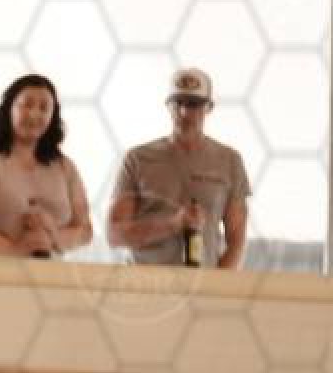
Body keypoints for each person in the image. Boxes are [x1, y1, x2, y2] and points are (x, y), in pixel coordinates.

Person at [106, 67, 250, 270]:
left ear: (209, 107)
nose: (183, 112)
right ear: (168, 106)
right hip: (145, 283)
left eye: (193, 104)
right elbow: (114, 235)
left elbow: (237, 240)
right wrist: (173, 225)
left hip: (202, 284)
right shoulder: (137, 159)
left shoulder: (229, 161)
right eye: (177, 103)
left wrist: (218, 284)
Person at [0, 73, 92, 259]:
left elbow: (85, 230)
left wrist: (54, 237)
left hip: (50, 273)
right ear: (9, 108)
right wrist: (13, 250)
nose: (34, 114)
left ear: (53, 116)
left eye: (44, 108)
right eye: (27, 105)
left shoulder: (66, 167)